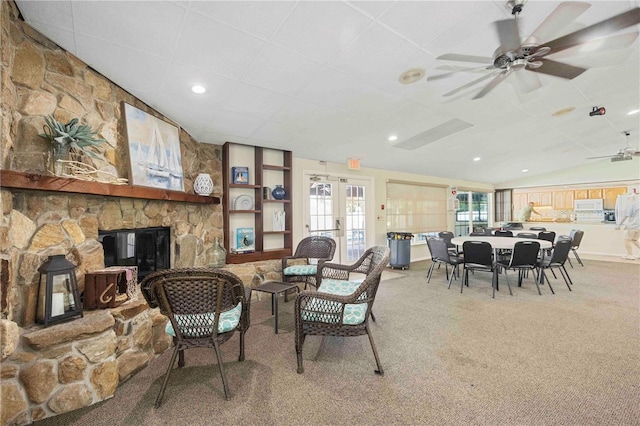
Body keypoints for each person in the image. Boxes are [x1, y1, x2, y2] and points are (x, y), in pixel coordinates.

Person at [615, 194, 640, 260]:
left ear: (631, 199)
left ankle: (630, 254)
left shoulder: (632, 205)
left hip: (632, 225)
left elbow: (626, 215)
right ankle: (630, 254)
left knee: (627, 239)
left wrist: (619, 225)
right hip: (639, 226)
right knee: (634, 240)